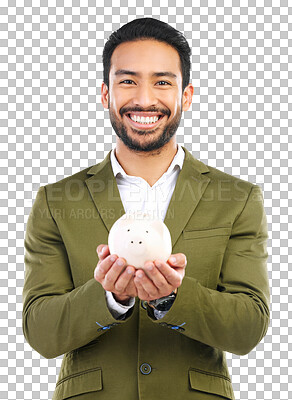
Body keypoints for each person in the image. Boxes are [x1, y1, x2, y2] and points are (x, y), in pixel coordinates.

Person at [22, 18, 270, 400]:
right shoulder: (56, 200)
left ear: (185, 96)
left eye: (162, 81)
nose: (144, 99)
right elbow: (40, 331)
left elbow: (248, 327)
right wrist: (109, 297)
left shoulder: (236, 198)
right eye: (127, 80)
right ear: (106, 94)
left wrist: (173, 298)